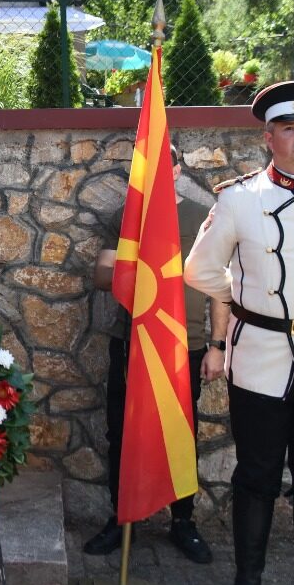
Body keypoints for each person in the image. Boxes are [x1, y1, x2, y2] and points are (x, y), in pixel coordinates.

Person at [184, 79, 294, 585]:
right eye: (289, 128)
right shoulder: (239, 198)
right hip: (261, 355)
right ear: (269, 138)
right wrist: (241, 297)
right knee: (257, 478)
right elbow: (198, 270)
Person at [84, 144, 228, 563]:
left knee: (180, 435)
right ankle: (120, 519)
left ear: (178, 171)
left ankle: (183, 522)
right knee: (121, 433)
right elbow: (101, 275)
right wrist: (137, 266)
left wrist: (217, 346)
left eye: (164, 165)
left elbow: (220, 288)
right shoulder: (126, 218)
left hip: (185, 345)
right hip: (132, 343)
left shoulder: (202, 217)